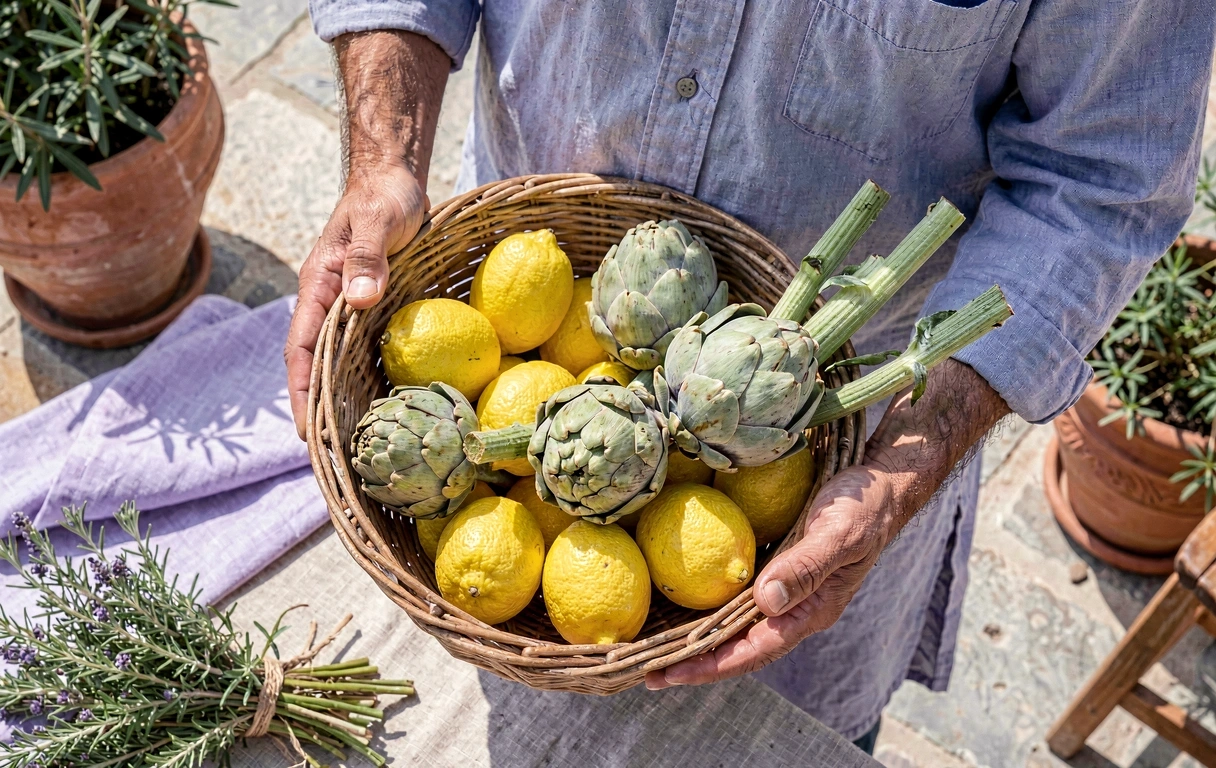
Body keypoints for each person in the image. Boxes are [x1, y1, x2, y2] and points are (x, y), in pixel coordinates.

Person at [287, 0, 1216, 751]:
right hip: (520, 275)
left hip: (848, 438)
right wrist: (383, 161)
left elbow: (1097, 179)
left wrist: (902, 469)